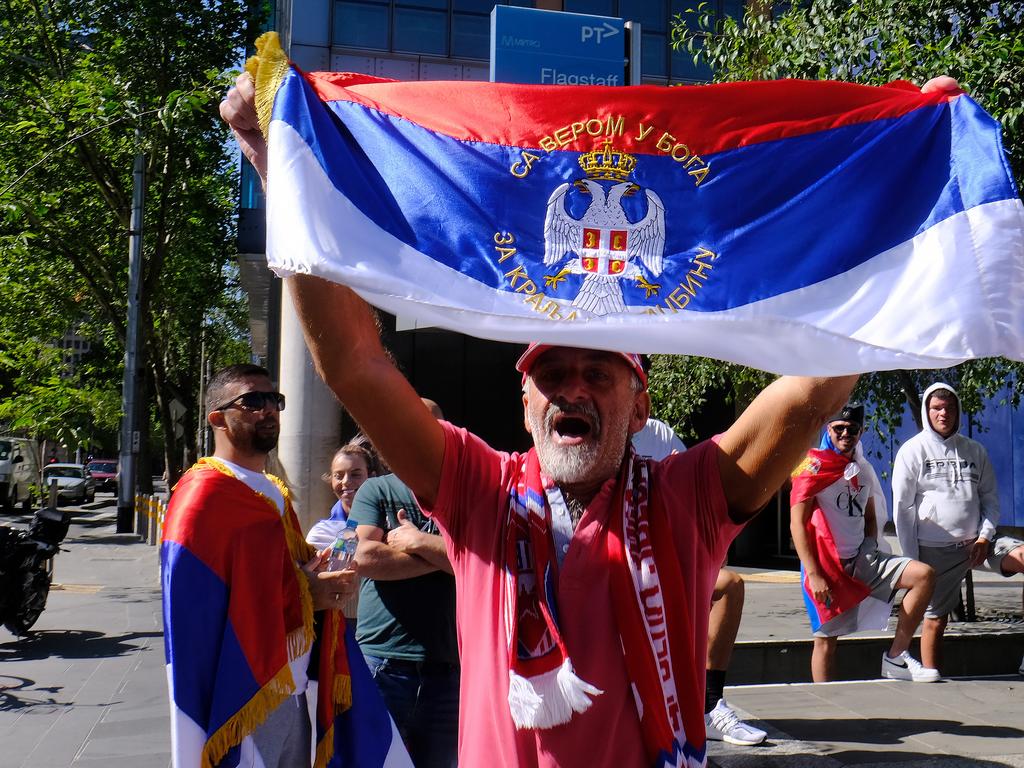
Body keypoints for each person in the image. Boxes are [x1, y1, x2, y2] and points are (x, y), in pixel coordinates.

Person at [220, 73, 959, 767]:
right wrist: (275, 164)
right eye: (551, 375)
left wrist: (910, 180)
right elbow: (354, 362)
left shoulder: (688, 497)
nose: (572, 389)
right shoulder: (477, 487)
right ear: (525, 403)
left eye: (598, 374)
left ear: (639, 405)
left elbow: (810, 396)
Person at [161, 364, 360, 768]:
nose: (268, 410)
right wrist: (305, 591)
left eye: (274, 401)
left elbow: (278, 575)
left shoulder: (273, 491)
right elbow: (195, 609)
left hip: (294, 684)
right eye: (253, 401)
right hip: (244, 690)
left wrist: (317, 577)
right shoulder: (202, 495)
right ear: (217, 418)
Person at [633, 418, 765, 747]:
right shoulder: (594, 431)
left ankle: (708, 703)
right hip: (613, 562)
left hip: (663, 560)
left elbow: (692, 494)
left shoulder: (656, 433)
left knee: (729, 586)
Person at [790, 403, 938, 683]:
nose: (846, 433)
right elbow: (797, 523)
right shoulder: (812, 466)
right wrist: (813, 573)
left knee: (924, 576)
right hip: (825, 568)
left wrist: (869, 547)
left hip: (864, 558)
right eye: (839, 428)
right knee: (826, 642)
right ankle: (828, 714)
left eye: (853, 429)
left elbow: (870, 516)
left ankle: (896, 657)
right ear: (828, 428)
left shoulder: (861, 468)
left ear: (861, 432)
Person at [349, 398, 459, 768]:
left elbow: (487, 559)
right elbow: (363, 557)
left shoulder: (464, 494)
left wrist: (417, 542)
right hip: (382, 664)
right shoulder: (375, 491)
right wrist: (447, 556)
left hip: (447, 672)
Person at [893, 383, 1024, 673]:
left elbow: (990, 500)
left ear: (958, 411)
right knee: (935, 619)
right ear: (927, 411)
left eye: (949, 408)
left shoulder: (974, 450)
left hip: (977, 543)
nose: (943, 414)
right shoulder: (912, 451)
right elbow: (903, 509)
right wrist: (911, 558)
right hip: (934, 551)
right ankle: (931, 675)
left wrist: (984, 537)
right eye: (937, 408)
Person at [307, 436, 380, 550]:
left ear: (372, 477)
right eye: (338, 476)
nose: (346, 481)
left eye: (355, 475)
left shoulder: (392, 524)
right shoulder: (321, 534)